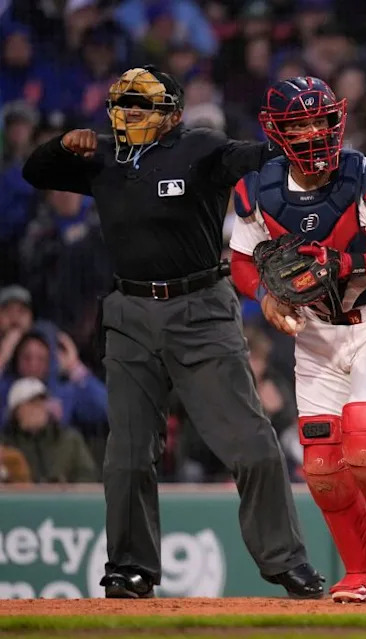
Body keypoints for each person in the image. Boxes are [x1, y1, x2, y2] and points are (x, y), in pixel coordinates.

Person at [21, 65, 322, 599]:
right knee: (128, 454)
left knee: (252, 445)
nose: (131, 113)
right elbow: (35, 171)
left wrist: (296, 143)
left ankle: (285, 560)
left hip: (200, 310)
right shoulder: (103, 158)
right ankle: (131, 568)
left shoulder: (199, 147)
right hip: (130, 313)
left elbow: (255, 157)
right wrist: (62, 144)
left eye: (143, 105)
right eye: (125, 103)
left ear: (174, 114)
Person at [230, 76, 366, 602]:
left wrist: (347, 262)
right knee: (322, 465)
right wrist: (265, 296)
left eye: (320, 119)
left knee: (365, 439)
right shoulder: (258, 192)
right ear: (278, 131)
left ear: (336, 119)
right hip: (317, 332)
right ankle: (357, 568)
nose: (313, 132)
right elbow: (239, 261)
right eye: (299, 123)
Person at [1, 377, 97, 483]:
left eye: (42, 402)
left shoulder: (69, 440)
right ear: (16, 412)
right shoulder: (5, 445)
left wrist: (68, 490)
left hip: (63, 498)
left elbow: (87, 476)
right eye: (31, 403)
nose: (38, 408)